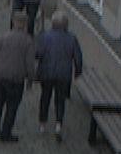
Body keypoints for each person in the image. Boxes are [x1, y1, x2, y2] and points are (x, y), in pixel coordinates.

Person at [32, 11, 84, 139]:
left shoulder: (45, 36)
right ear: (66, 25)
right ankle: (58, 124)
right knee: (60, 100)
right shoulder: (72, 38)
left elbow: (37, 54)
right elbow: (78, 58)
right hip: (63, 75)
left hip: (47, 73)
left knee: (45, 97)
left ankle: (42, 123)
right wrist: (77, 72)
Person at [0, 12, 34, 142]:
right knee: (12, 106)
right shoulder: (28, 41)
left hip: (2, 76)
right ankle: (5, 133)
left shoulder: (3, 37)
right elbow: (30, 64)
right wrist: (30, 79)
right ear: (25, 25)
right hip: (16, 79)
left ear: (13, 22)